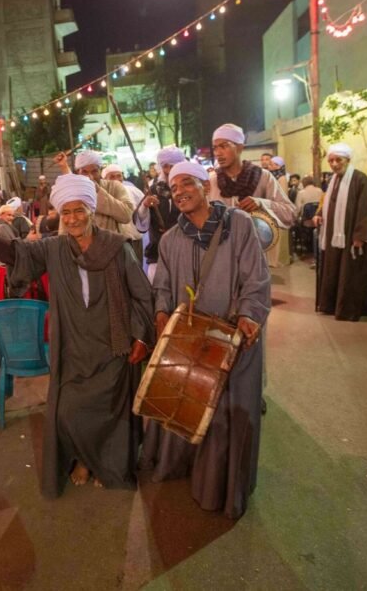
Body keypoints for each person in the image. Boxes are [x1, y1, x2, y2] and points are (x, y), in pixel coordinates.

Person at [0, 173, 153, 495]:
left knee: (110, 411)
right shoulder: (54, 249)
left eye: (79, 211)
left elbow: (142, 295)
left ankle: (103, 464)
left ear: (91, 210)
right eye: (66, 212)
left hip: (113, 345)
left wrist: (140, 337)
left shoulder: (117, 248)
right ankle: (83, 458)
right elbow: (14, 254)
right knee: (69, 411)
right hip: (71, 345)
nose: (72, 219)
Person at [140, 161, 271, 517]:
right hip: (190, 340)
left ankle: (224, 491)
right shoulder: (170, 240)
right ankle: (186, 468)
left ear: (205, 187)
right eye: (173, 187)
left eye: (187, 184)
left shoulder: (239, 224)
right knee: (189, 405)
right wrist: (163, 314)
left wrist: (249, 315)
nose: (179, 191)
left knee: (230, 414)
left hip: (233, 340)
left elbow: (257, 278)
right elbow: (163, 286)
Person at [208, 124, 297, 268]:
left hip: (254, 260)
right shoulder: (211, 181)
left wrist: (262, 204)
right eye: (215, 147)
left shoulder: (262, 177)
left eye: (224, 146)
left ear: (240, 147)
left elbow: (290, 213)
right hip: (220, 260)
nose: (218, 153)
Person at [314, 143, 367, 321]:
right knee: (333, 270)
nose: (334, 164)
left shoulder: (361, 180)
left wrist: (359, 236)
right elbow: (328, 202)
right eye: (331, 161)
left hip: (351, 236)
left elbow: (365, 210)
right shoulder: (333, 180)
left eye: (338, 160)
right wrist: (319, 215)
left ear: (348, 160)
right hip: (333, 235)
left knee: (350, 273)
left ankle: (349, 309)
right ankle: (331, 305)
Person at [55, 149, 134, 234]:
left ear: (100, 171)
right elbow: (64, 225)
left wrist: (97, 191)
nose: (90, 177)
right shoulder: (72, 191)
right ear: (78, 172)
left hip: (109, 245)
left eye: (94, 171)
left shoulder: (114, 187)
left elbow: (127, 216)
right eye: (84, 172)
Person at [137, 146, 187, 277]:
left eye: (174, 166)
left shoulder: (190, 190)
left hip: (185, 251)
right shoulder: (154, 190)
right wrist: (145, 205)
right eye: (166, 167)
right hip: (159, 253)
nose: (170, 171)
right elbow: (141, 220)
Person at [103, 164, 144, 258]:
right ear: (105, 179)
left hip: (135, 238)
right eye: (112, 177)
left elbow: (143, 213)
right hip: (115, 243)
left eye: (119, 176)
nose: (116, 179)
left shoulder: (134, 191)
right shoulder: (103, 195)